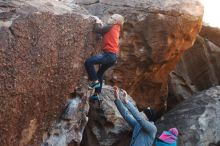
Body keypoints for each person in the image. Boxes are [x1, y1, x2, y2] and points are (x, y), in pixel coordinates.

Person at [84, 14, 124, 100]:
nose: (109, 18)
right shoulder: (116, 29)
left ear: (115, 22)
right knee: (100, 73)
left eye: (111, 18)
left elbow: (98, 30)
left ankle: (95, 82)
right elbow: (106, 34)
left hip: (108, 55)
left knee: (89, 62)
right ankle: (96, 94)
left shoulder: (110, 27)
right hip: (113, 57)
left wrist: (97, 21)